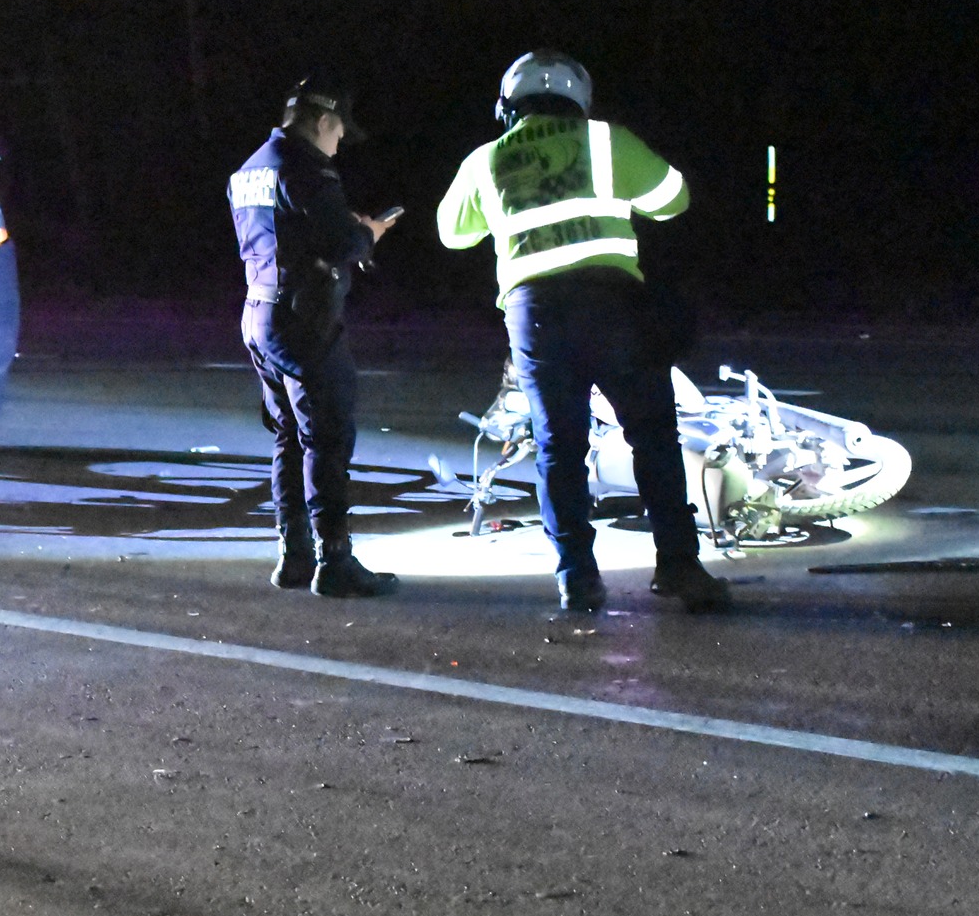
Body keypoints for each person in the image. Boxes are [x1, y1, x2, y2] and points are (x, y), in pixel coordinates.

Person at [437, 51, 728, 613]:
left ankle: (576, 576)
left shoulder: (485, 161)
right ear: (579, 100)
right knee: (653, 435)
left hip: (535, 314)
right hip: (614, 307)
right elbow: (675, 201)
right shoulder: (605, 141)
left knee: (558, 445)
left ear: (508, 106)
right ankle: (678, 566)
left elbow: (452, 233)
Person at [228, 76, 399, 597]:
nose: (341, 141)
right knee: (326, 438)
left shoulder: (250, 168)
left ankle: (295, 555)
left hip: (258, 312)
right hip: (303, 320)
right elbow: (341, 239)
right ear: (323, 121)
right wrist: (369, 231)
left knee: (288, 437)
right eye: (340, 130)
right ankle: (335, 561)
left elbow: (288, 231)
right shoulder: (306, 167)